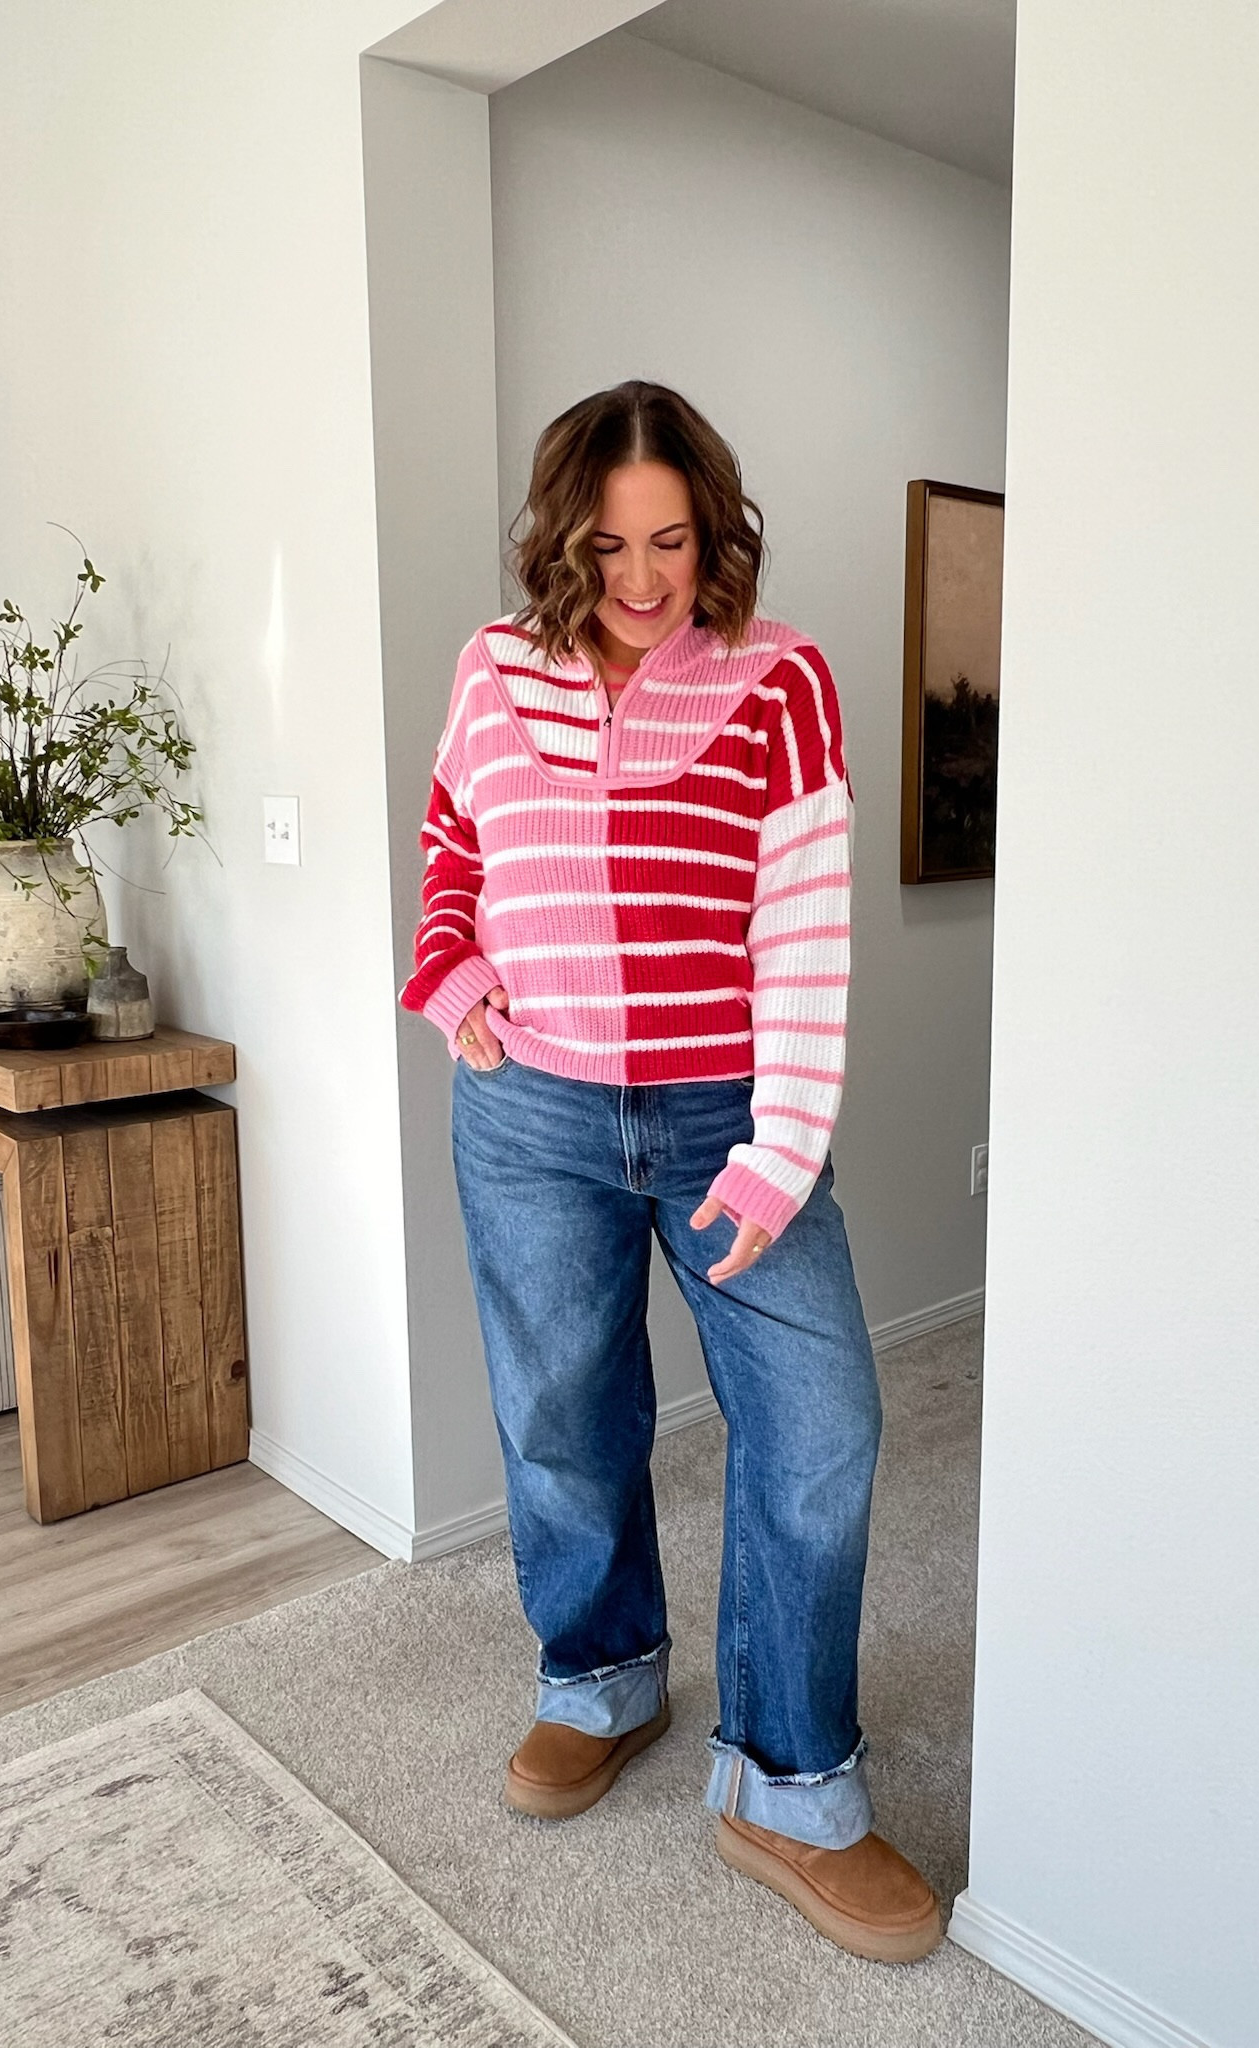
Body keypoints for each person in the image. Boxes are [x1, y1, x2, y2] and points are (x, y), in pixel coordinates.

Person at [400, 380, 942, 1964]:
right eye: (611, 544)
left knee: (822, 1426)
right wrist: (448, 971)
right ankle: (602, 1677)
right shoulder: (497, 672)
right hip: (534, 1112)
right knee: (563, 1412)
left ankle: (790, 1787)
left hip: (724, 1119)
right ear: (565, 541)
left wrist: (785, 1146)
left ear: (716, 531)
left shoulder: (781, 683)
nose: (643, 580)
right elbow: (454, 840)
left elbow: (805, 929)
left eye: (674, 541)